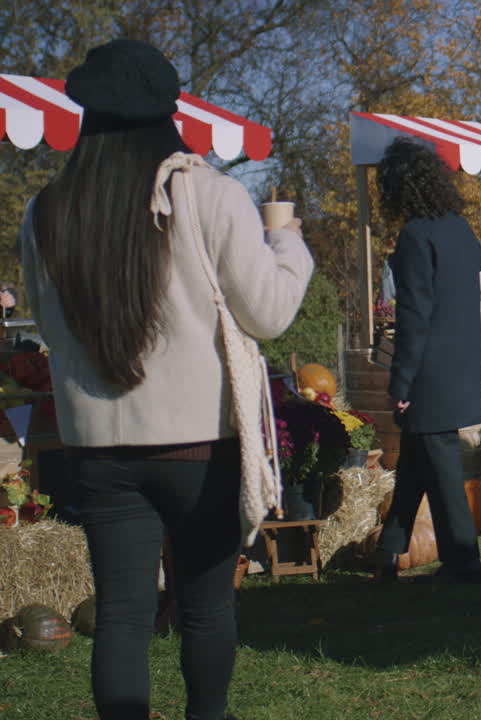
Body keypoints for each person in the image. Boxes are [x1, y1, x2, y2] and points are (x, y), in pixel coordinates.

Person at [18, 39, 313, 720]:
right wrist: (288, 240)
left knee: (121, 614)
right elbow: (268, 313)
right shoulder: (210, 193)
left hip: (97, 442)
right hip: (199, 442)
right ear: (166, 110)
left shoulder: (46, 210)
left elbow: (50, 325)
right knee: (206, 606)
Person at [375, 136, 481, 584]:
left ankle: (464, 562)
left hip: (430, 373)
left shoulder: (415, 236)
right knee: (416, 460)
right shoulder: (460, 228)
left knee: (440, 470)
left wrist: (401, 382)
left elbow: (414, 316)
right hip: (462, 361)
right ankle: (389, 550)